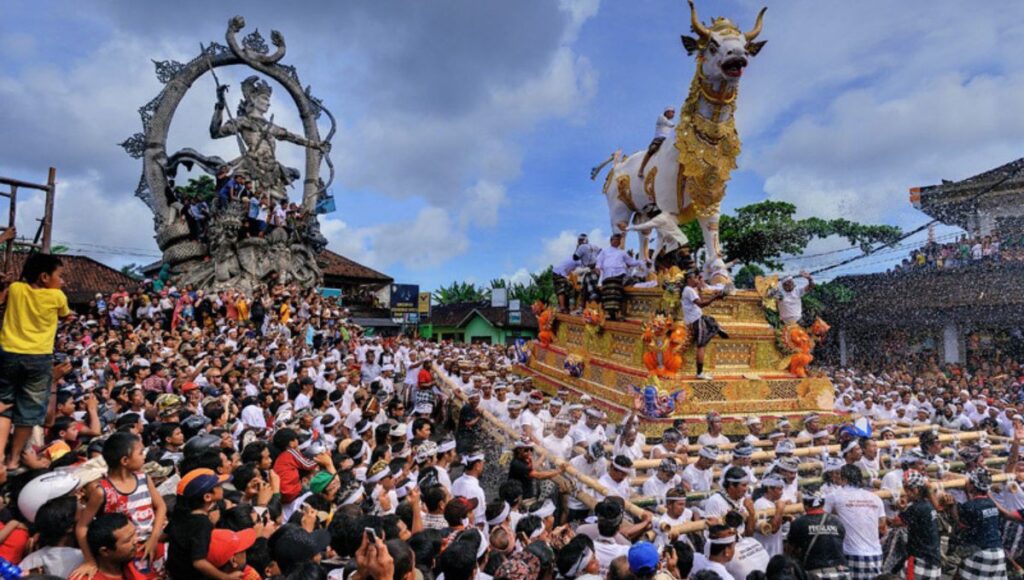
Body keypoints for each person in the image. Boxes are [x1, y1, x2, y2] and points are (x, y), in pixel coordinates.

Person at [0, 252, 72, 471]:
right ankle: (13, 459)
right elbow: (65, 314)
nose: (62, 281)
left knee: (4, 404)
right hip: (38, 358)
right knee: (28, 412)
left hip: (8, 354)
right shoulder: (57, 297)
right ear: (44, 277)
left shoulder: (15, 289)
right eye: (59, 276)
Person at [827, 465, 886, 580]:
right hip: (876, 555)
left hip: (851, 553)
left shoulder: (834, 496)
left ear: (844, 479)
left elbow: (821, 518)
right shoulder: (875, 498)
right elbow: (882, 524)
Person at [786, 490, 848, 580]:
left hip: (814, 573)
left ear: (805, 505)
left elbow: (790, 550)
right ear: (823, 504)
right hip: (839, 571)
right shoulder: (837, 521)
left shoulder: (799, 522)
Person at [681, 270, 728, 380]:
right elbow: (701, 304)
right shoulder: (689, 290)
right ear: (689, 279)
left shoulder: (690, 290)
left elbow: (700, 301)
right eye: (695, 278)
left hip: (697, 319)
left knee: (710, 319)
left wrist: (705, 290)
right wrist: (715, 298)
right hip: (696, 321)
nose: (697, 280)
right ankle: (700, 373)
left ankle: (716, 328)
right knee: (701, 345)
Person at [594, 233, 644, 321]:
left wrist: (641, 262)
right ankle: (612, 314)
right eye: (615, 239)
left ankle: (619, 313)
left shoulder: (622, 252)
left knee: (620, 290)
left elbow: (631, 262)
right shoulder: (604, 251)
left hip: (620, 274)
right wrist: (597, 268)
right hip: (608, 275)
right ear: (611, 240)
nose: (617, 241)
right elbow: (599, 262)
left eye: (618, 240)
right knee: (609, 293)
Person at [85, 513, 139, 580]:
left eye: (135, 533)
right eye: (128, 540)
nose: (136, 540)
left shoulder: (133, 561)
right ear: (105, 551)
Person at [638, 107, 675, 179]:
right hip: (659, 139)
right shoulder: (661, 117)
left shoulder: (670, 124)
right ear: (667, 112)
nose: (673, 114)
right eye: (672, 112)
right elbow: (670, 124)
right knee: (652, 150)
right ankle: (641, 169)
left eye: (674, 112)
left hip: (668, 140)